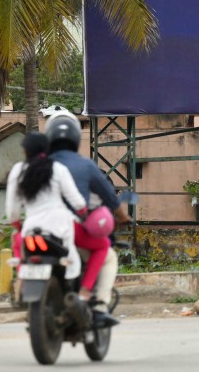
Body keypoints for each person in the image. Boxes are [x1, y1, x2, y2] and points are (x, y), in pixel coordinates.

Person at [46, 110, 131, 328]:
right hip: (71, 232)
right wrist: (123, 217)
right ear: (76, 138)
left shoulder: (37, 165)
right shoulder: (85, 165)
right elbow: (111, 199)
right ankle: (99, 306)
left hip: (39, 231)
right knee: (108, 255)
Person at [6, 132, 89, 296]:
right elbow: (77, 202)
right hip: (60, 227)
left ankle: (21, 282)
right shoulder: (58, 169)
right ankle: (77, 292)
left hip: (31, 228)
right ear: (48, 150)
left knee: (17, 243)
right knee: (74, 256)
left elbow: (12, 210)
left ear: (25, 151)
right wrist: (83, 213)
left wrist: (17, 225)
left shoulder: (18, 171)